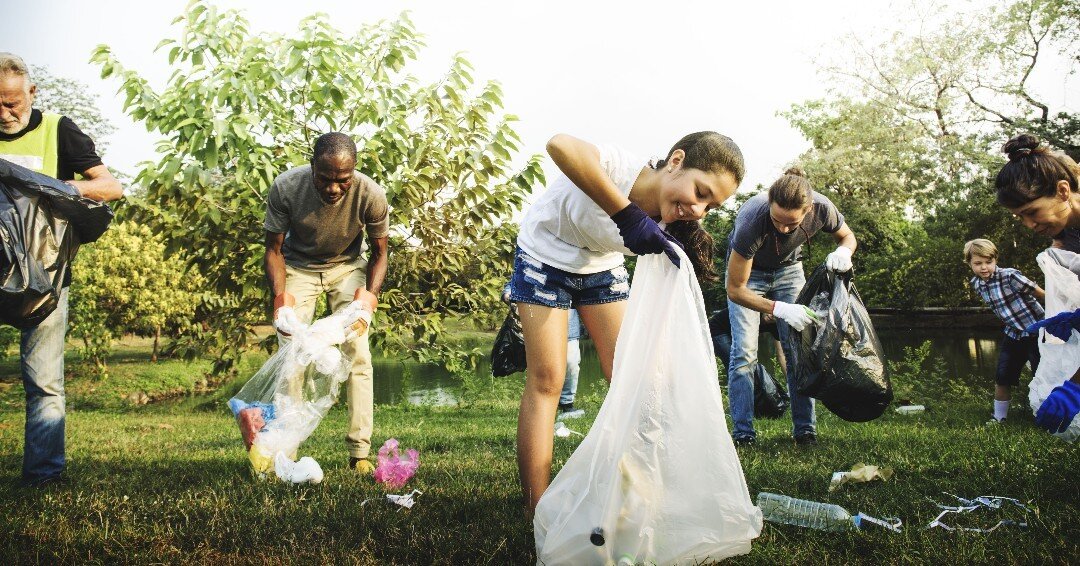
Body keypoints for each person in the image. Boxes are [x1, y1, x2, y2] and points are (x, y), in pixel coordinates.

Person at [512, 131, 745, 515]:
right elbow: (560, 146)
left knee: (632, 375)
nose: (700, 210)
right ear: (675, 161)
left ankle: (638, 491)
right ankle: (536, 507)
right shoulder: (619, 165)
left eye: (711, 206)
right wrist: (627, 214)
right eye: (701, 192)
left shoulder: (669, 223)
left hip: (600, 267)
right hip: (544, 255)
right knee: (548, 379)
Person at [0, 53, 123, 486]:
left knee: (44, 383)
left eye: (12, 102)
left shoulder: (58, 129)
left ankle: (44, 477)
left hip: (44, 281)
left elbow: (110, 188)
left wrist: (55, 187)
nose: (4, 113)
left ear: (31, 93)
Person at [263, 132, 389, 474]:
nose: (333, 188)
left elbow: (380, 253)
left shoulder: (371, 194)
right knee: (292, 353)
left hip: (347, 267)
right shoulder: (286, 187)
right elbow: (273, 251)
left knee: (358, 353)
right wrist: (281, 301)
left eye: (342, 180)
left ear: (354, 172)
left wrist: (367, 301)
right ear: (312, 166)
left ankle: (359, 453)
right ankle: (285, 452)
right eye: (325, 178)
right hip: (298, 268)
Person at [724, 167, 857, 447]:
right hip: (751, 275)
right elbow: (735, 289)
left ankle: (805, 432)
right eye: (777, 221)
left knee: (799, 352)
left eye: (791, 224)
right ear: (769, 206)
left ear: (808, 211)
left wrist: (843, 251)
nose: (783, 229)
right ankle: (744, 435)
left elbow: (847, 237)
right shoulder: (753, 219)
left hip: (790, 271)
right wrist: (780, 309)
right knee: (744, 355)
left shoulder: (823, 208)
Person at [994, 134, 1080, 432]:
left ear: (1063, 190)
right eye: (1021, 217)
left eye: (1032, 212)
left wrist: (1075, 388)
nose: (1030, 225)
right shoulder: (1068, 236)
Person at [964, 238, 1045, 424]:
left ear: (995, 260)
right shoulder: (977, 284)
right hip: (1013, 334)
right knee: (1002, 376)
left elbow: (1041, 294)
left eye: (988, 262)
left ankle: (1045, 417)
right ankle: (999, 418)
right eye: (978, 263)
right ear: (969, 263)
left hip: (1037, 332)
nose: (984, 267)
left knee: (1041, 376)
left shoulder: (1010, 276)